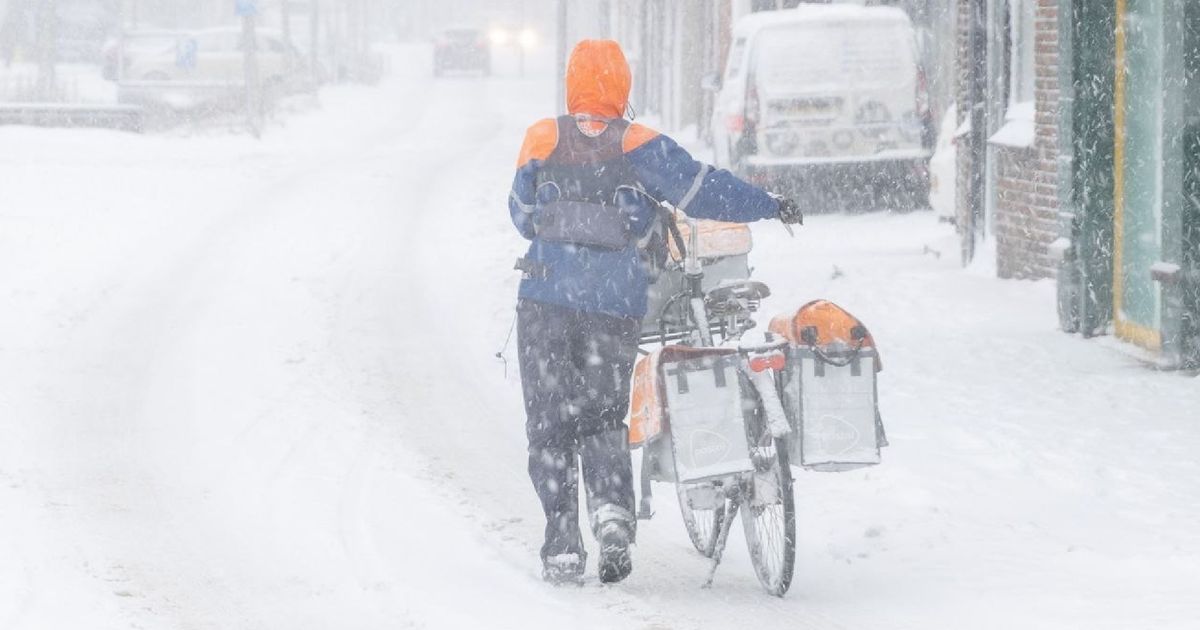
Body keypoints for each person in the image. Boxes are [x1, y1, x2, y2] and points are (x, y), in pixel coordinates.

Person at [508, 39, 803, 585]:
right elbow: (703, 190)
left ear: (572, 82)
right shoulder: (640, 143)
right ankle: (613, 515)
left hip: (546, 302)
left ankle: (563, 546)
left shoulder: (542, 137)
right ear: (622, 85)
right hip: (612, 307)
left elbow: (523, 217)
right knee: (601, 418)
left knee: (549, 426)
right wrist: (769, 204)